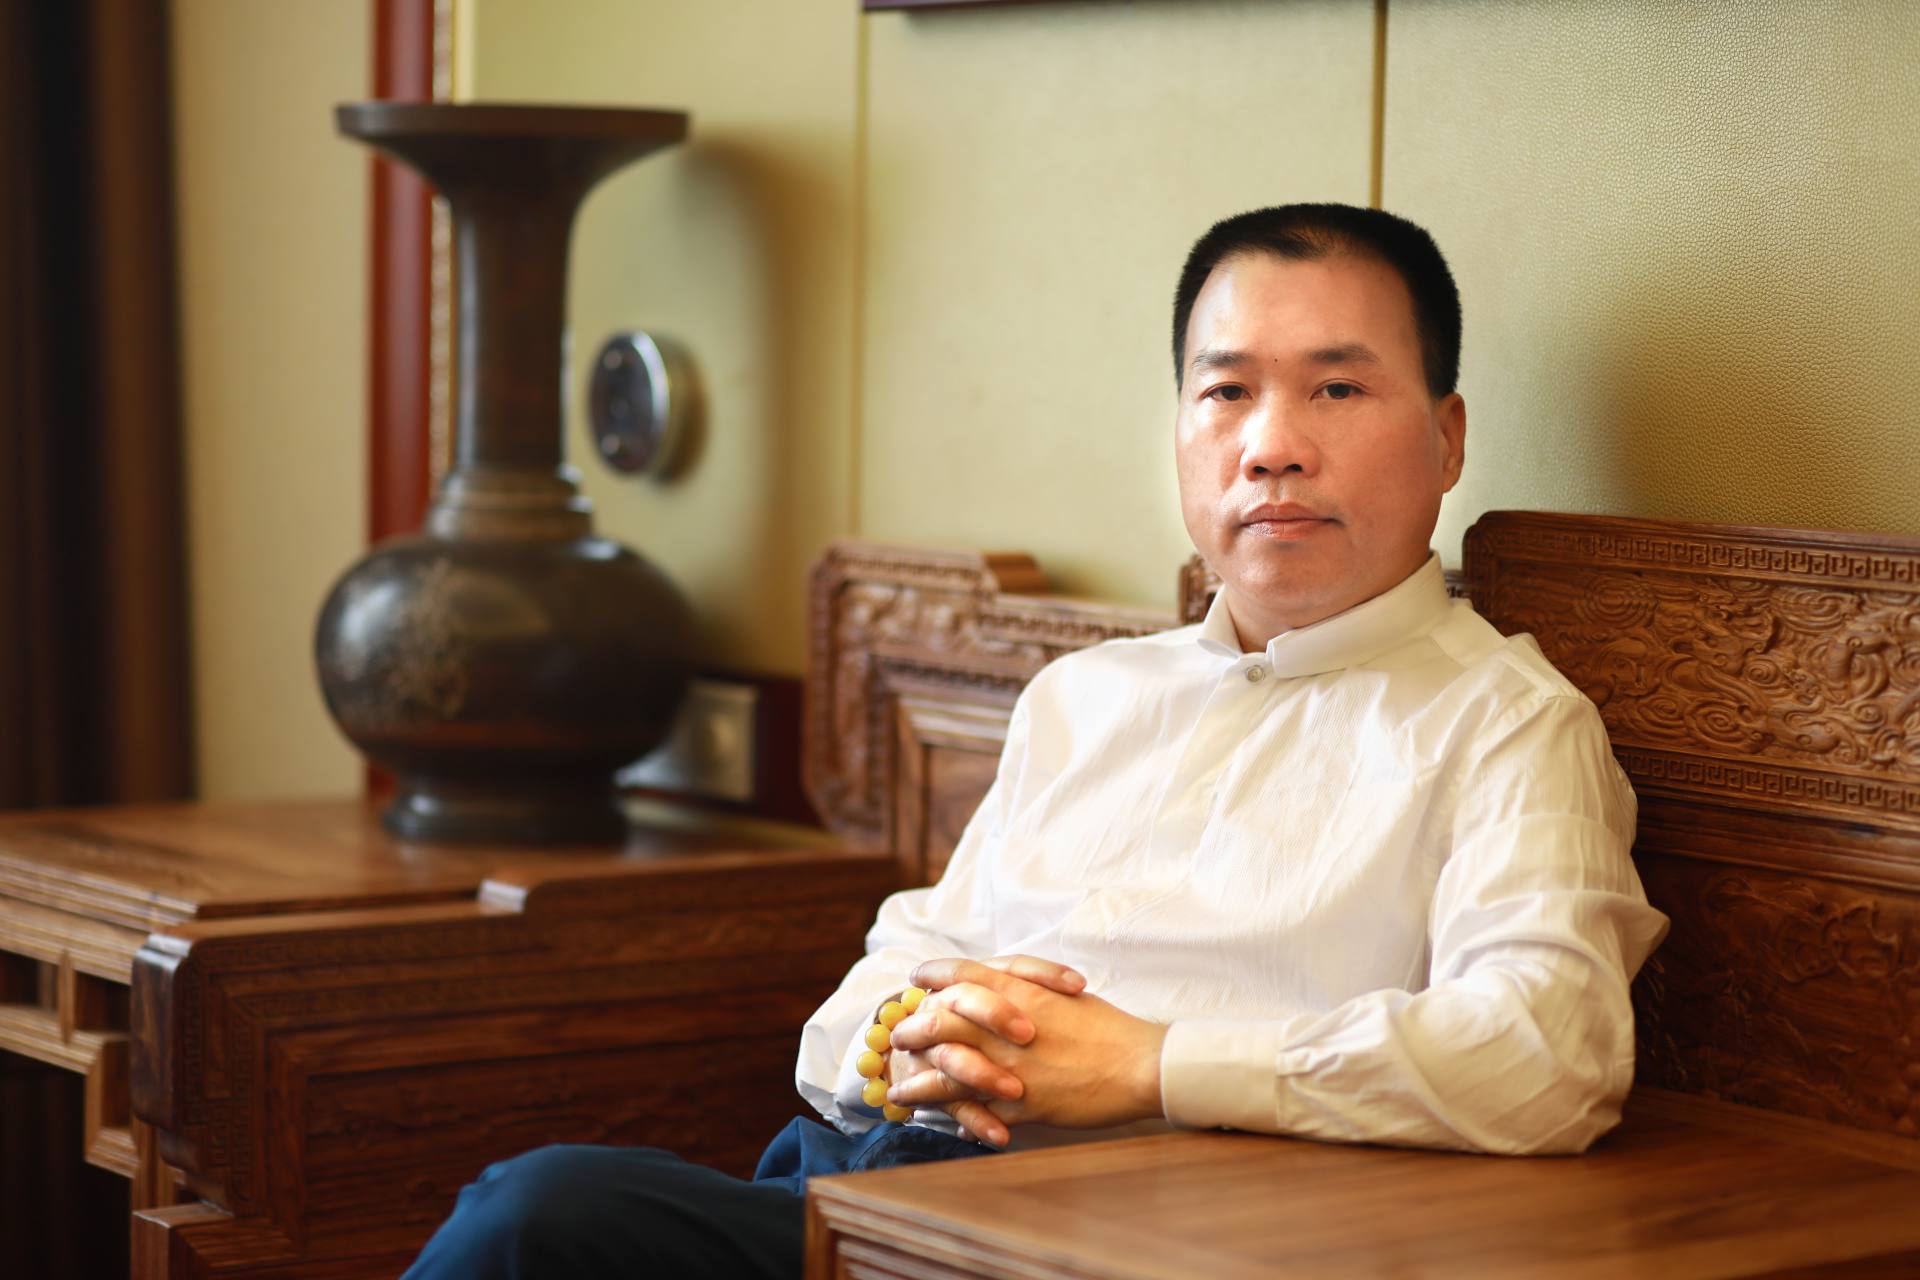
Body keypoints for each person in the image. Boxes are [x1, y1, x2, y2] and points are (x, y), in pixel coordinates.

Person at [402, 202, 1668, 1279]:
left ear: (1447, 438)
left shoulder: (1507, 722)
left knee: (540, 1219)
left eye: (1337, 387)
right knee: (543, 1204)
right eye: (1226, 391)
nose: (1271, 446)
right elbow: (874, 989)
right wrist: (920, 1033)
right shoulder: (1087, 696)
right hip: (863, 1190)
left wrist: (1150, 1064)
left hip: (1114, 1237)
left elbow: (1547, 1051)